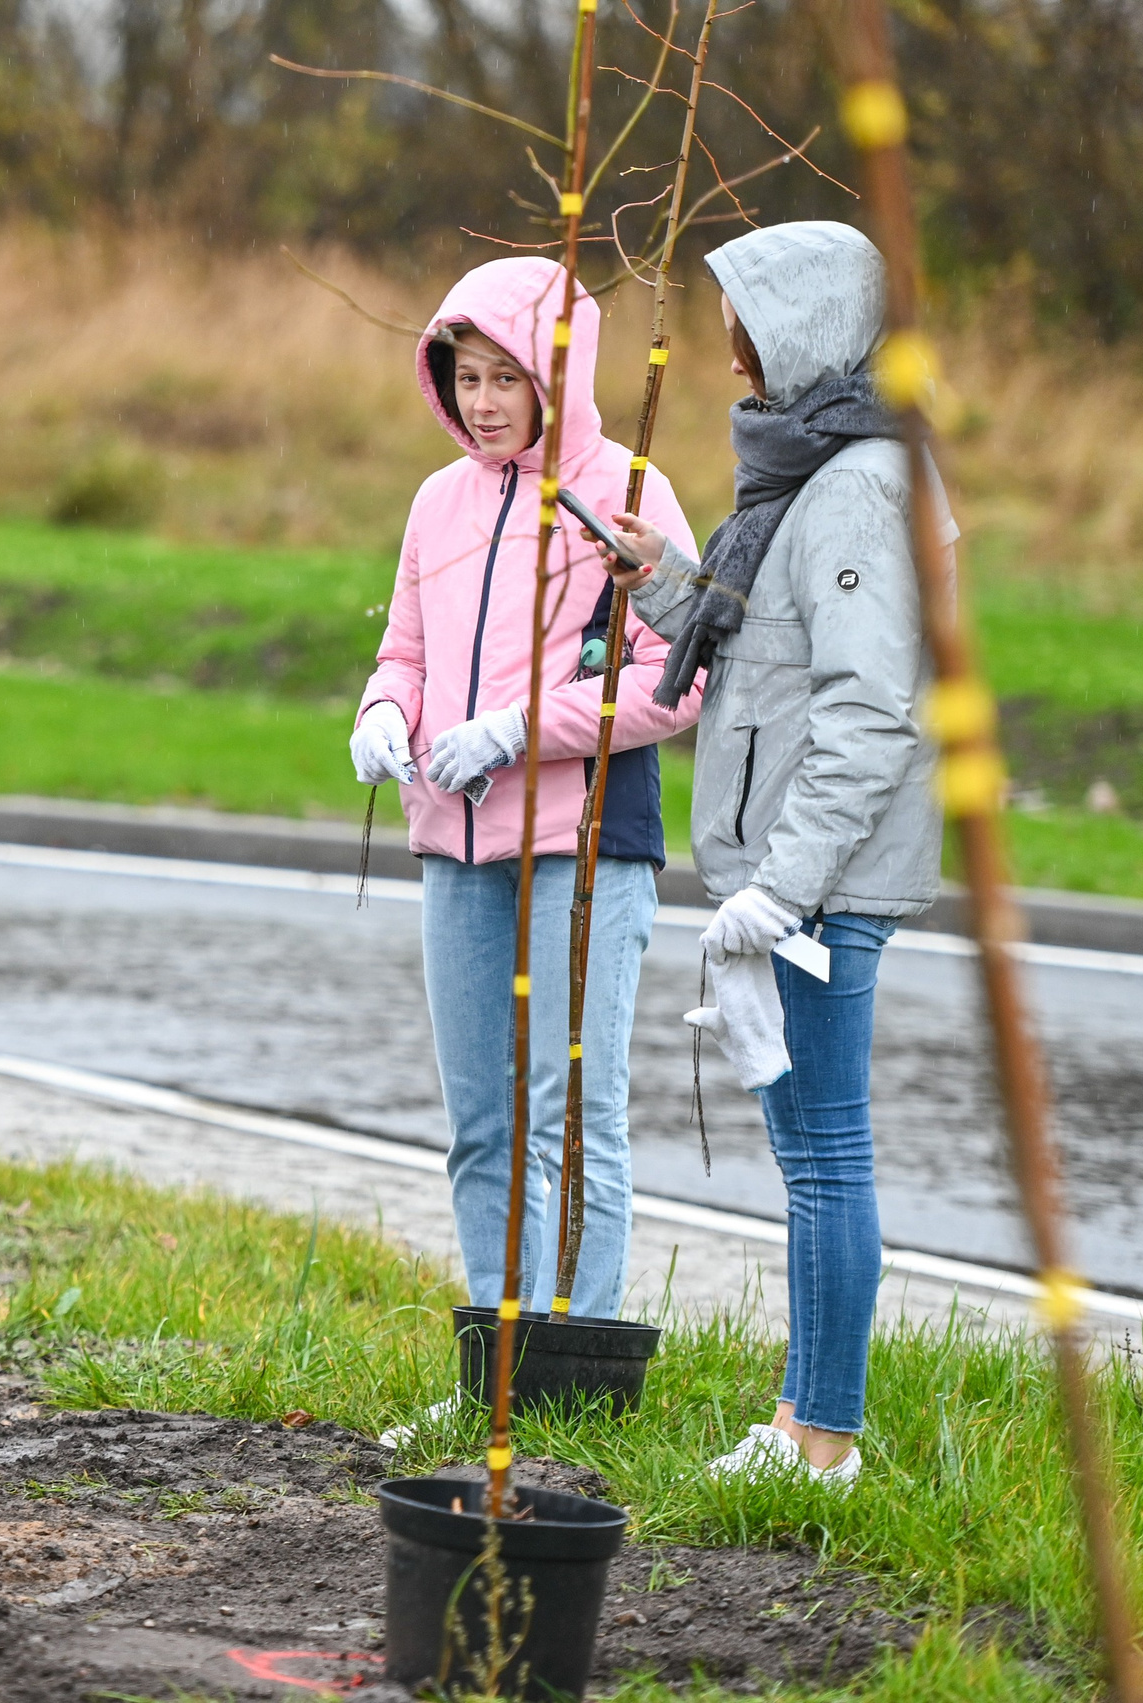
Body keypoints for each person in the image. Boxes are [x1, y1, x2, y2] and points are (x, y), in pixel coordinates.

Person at [598, 221, 952, 1489]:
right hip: (797, 878)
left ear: (802, 327)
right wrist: (662, 582)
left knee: (824, 1151)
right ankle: (808, 1408)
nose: (726, 345)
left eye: (743, 319)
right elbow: (767, 649)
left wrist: (782, 888)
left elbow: (868, 708)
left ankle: (824, 1439)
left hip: (821, 884)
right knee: (811, 1148)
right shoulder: (805, 473)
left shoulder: (856, 482)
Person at [352, 257, 704, 1326]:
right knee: (481, 1124)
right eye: (466, 378)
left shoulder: (627, 496)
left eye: (507, 378)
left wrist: (518, 728)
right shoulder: (435, 501)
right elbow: (404, 649)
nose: (484, 403)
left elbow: (674, 677)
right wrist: (381, 712)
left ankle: (575, 1363)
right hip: (455, 850)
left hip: (582, 845)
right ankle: (496, 1362)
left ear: (560, 376)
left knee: (571, 1115)